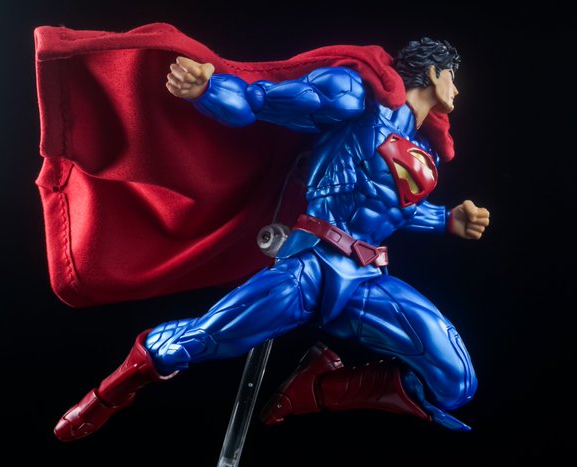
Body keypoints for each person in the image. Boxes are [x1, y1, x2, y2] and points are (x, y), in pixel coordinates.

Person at [54, 37, 490, 442]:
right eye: (452, 77)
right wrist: (207, 89)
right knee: (202, 340)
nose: (456, 90)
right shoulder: (354, 97)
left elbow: (396, 210)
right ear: (433, 73)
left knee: (456, 381)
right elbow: (259, 100)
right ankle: (111, 392)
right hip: (310, 267)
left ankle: (313, 389)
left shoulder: (422, 152)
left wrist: (447, 220)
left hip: (366, 281)